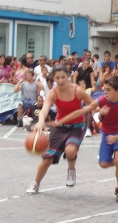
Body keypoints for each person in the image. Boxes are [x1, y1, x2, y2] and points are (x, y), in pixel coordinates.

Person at [52, 76, 118, 202]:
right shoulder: (101, 100)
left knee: (117, 160)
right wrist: (60, 121)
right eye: (104, 89)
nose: (104, 92)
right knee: (103, 164)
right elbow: (82, 111)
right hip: (107, 135)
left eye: (108, 90)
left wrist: (117, 137)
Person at [26, 64, 92, 194]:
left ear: (68, 76)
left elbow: (92, 103)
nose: (61, 80)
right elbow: (44, 109)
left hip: (77, 126)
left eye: (63, 77)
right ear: (53, 79)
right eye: (58, 78)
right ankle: (36, 183)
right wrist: (40, 121)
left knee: (70, 150)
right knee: (47, 159)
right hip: (59, 127)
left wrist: (99, 112)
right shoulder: (53, 93)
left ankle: (71, 170)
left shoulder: (77, 90)